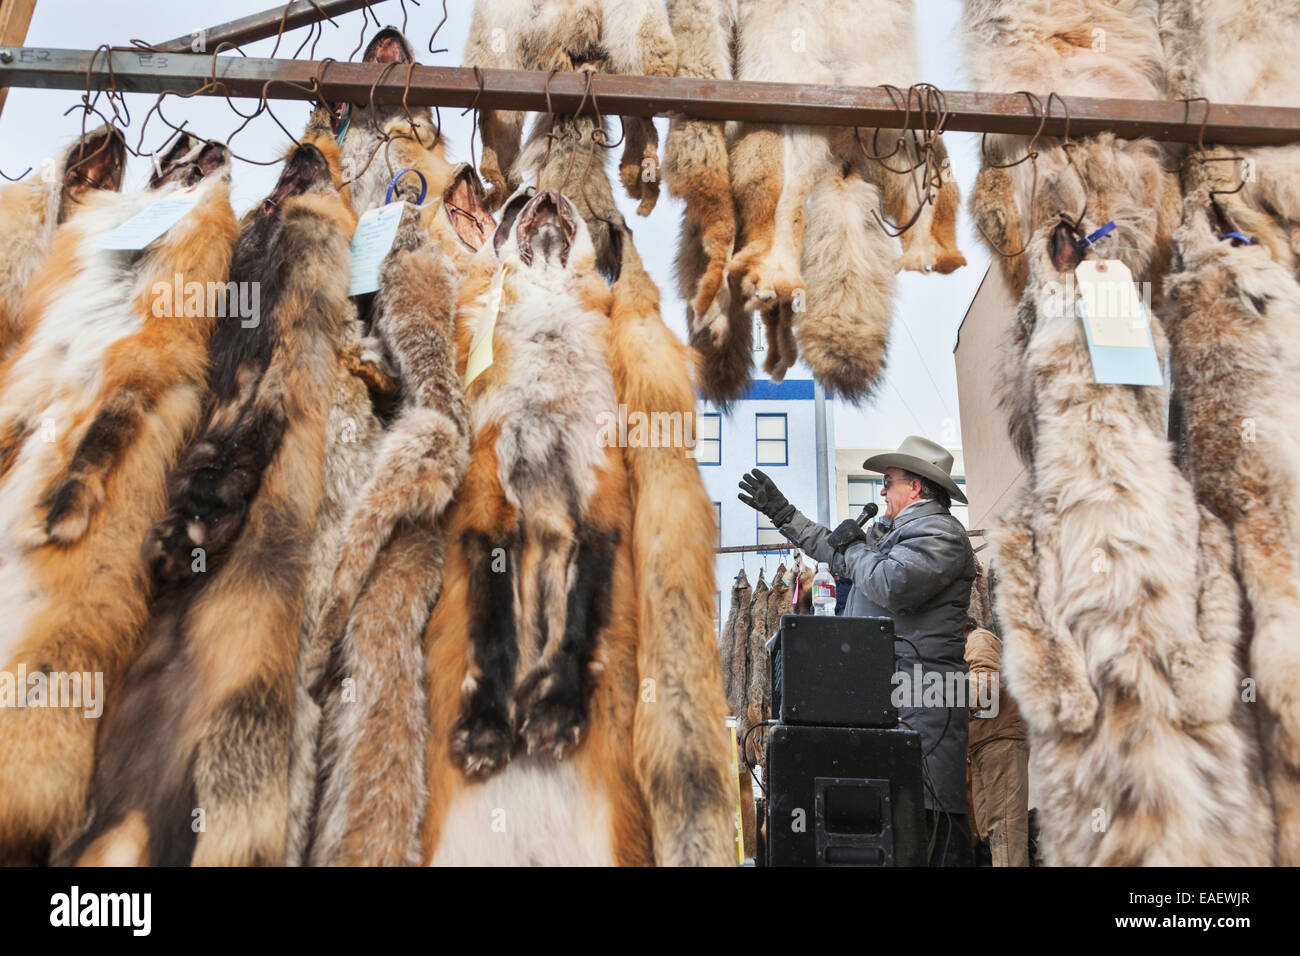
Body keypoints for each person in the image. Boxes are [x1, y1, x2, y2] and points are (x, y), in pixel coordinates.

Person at [738, 435, 976, 866]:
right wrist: (784, 514)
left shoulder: (941, 533)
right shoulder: (891, 535)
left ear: (916, 487)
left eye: (889, 481)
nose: (882, 491)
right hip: (886, 708)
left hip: (921, 710)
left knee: (928, 833)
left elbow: (891, 583)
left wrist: (856, 547)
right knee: (887, 835)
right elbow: (840, 552)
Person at [964, 616, 1030, 867]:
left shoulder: (978, 640)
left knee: (1005, 827)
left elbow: (986, 689)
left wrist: (941, 693)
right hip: (984, 742)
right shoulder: (970, 643)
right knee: (988, 828)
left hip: (1001, 739)